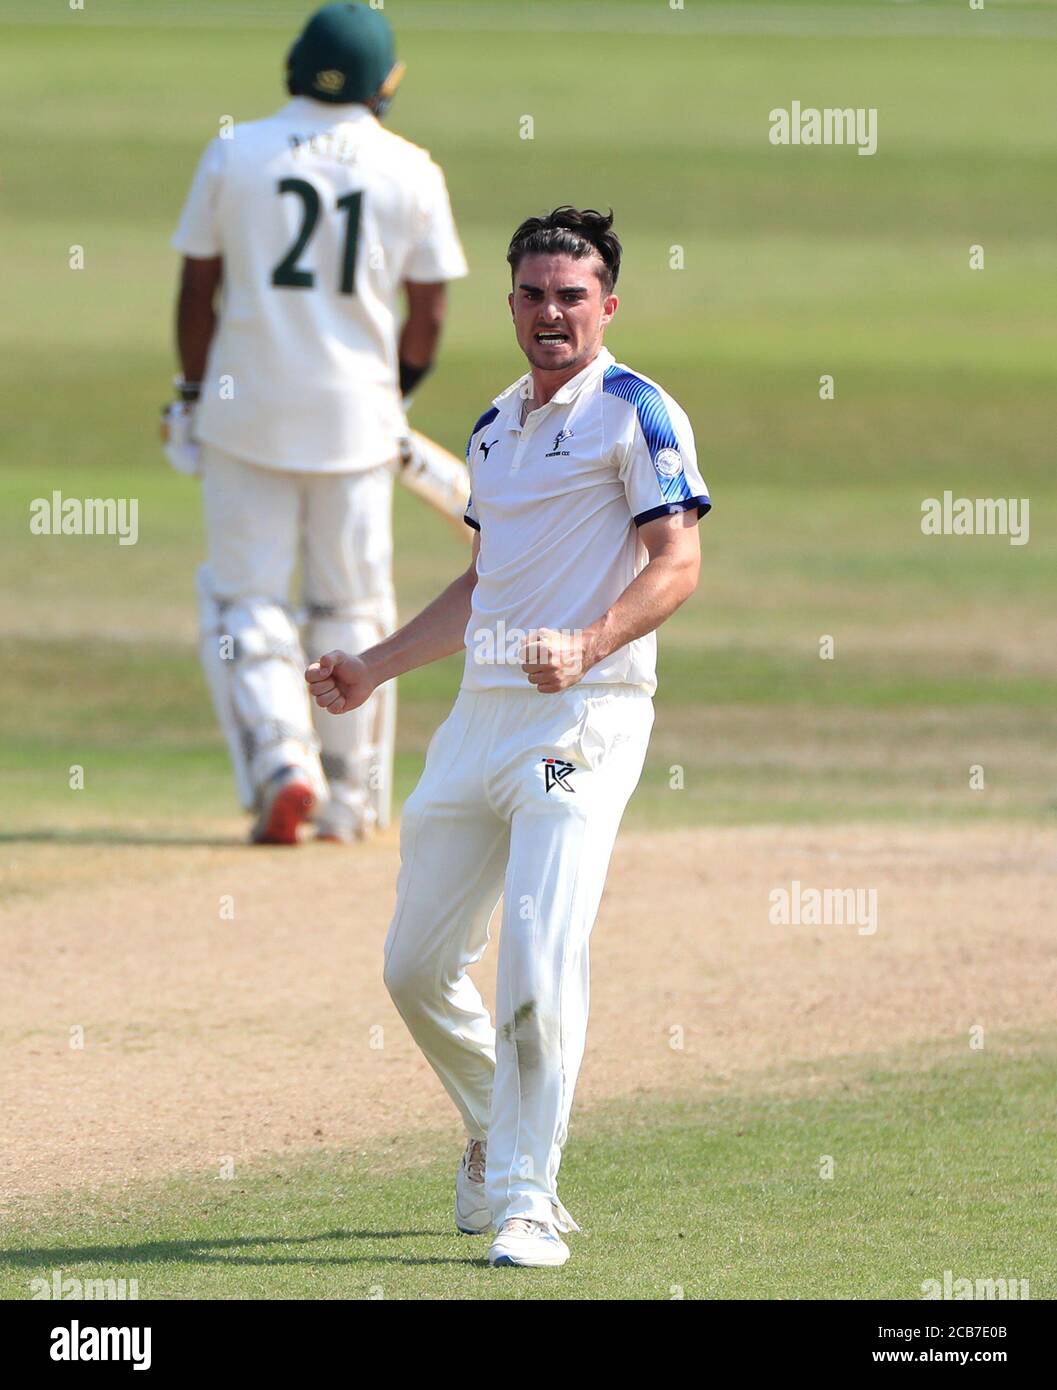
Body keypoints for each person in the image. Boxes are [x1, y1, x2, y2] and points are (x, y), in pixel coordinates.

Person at [307, 207, 710, 1267]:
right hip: (478, 717)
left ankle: (531, 1197)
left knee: (537, 955)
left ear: (607, 306)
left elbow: (676, 563)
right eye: (532, 293)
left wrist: (585, 643)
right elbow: (483, 582)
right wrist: (371, 668)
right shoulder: (494, 424)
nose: (550, 313)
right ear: (511, 302)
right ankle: (495, 1127)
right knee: (413, 964)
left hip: (585, 716)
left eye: (572, 295)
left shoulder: (637, 412)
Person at [169, 2, 467, 844]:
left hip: (242, 412)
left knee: (245, 601)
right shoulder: (410, 167)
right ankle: (346, 797)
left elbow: (198, 289)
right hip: (357, 420)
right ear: (385, 85)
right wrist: (396, 394)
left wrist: (192, 396)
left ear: (294, 69)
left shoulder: (236, 149)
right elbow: (431, 309)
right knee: (352, 602)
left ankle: (280, 763)